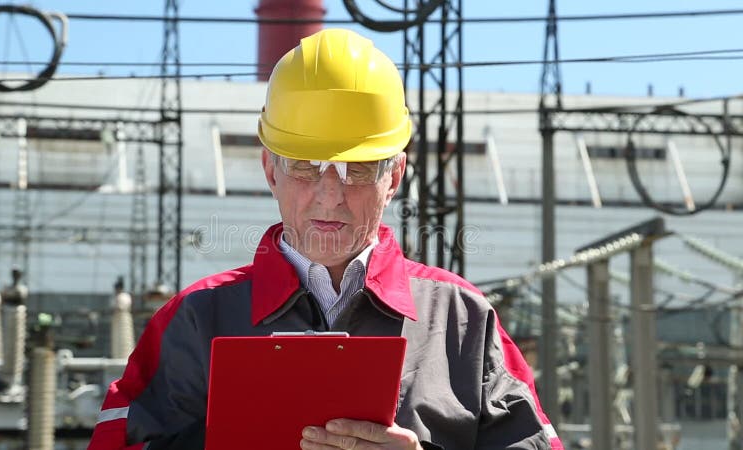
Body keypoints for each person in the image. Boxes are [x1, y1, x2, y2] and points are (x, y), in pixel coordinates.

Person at [87, 28, 562, 450]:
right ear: (269, 168)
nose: (330, 196)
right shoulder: (194, 321)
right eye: (304, 166)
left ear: (394, 174)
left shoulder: (463, 321)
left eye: (357, 169)